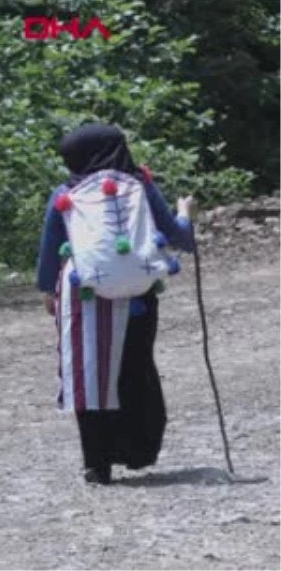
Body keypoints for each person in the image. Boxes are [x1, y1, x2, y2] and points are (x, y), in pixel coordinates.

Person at [36, 124, 195, 485]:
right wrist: (185, 211)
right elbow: (179, 237)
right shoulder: (139, 186)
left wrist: (49, 291)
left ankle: (97, 462)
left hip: (83, 294)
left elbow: (50, 248)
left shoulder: (67, 194)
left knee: (90, 371)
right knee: (135, 368)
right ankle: (138, 450)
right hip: (138, 295)